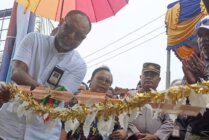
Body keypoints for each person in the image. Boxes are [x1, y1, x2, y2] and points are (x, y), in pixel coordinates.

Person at [0, 10, 91, 140]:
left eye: (78, 35)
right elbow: (17, 73)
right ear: (60, 22)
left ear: (83, 39)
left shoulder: (79, 65)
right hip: (8, 127)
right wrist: (45, 92)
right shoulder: (33, 39)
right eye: (69, 28)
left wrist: (19, 90)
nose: (71, 36)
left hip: (43, 134)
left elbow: (54, 100)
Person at [111, 62, 173, 140]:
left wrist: (156, 136)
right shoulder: (130, 95)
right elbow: (123, 116)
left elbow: (170, 121)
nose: (148, 77)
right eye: (146, 75)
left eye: (152, 75)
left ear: (159, 80)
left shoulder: (164, 99)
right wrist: (136, 133)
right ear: (141, 77)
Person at [66, 66, 113, 140]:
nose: (104, 83)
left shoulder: (111, 107)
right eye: (100, 79)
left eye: (108, 81)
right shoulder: (75, 100)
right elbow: (62, 127)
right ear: (91, 80)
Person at [182, 15, 209, 140]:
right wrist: (192, 85)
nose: (203, 39)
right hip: (194, 134)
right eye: (200, 36)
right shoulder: (193, 66)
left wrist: (205, 77)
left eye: (207, 34)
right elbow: (185, 109)